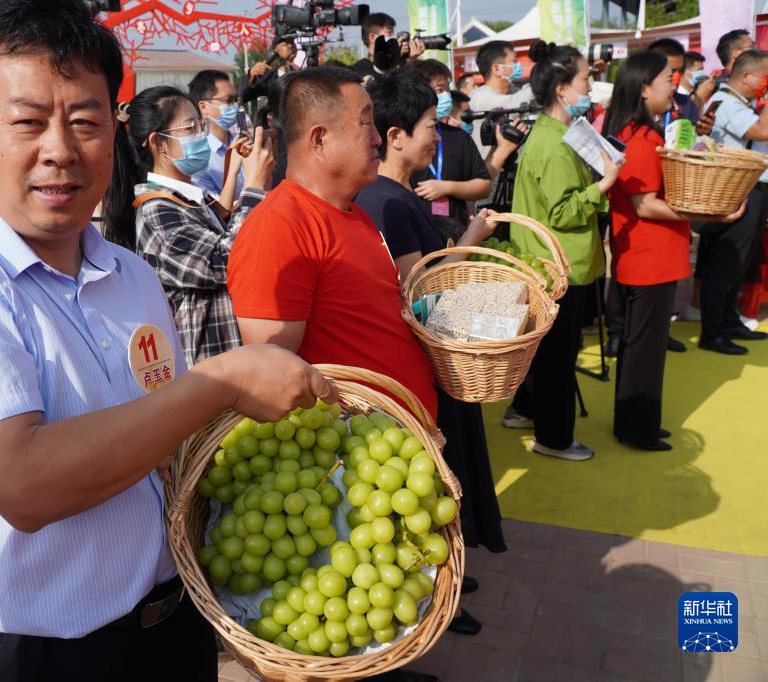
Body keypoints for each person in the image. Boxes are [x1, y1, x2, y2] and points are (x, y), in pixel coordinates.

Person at [0, 2, 335, 679]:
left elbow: (158, 443)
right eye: (26, 121)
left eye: (84, 121)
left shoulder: (130, 274)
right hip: (48, 649)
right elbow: (19, 483)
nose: (59, 148)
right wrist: (224, 382)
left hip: (174, 619)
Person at [225, 62, 442, 682]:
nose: (379, 136)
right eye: (368, 123)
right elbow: (271, 376)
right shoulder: (280, 227)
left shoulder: (353, 214)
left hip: (389, 463)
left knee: (377, 628)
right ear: (319, 139)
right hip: (342, 482)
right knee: (340, 628)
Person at [353, 68, 506, 638]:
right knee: (440, 483)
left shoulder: (392, 197)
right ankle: (439, 597)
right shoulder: (386, 203)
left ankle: (448, 578)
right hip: (420, 367)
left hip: (434, 359)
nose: (435, 138)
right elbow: (419, 290)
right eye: (426, 127)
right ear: (395, 136)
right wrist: (470, 245)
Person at [603, 53, 745, 451]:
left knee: (641, 346)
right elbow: (644, 203)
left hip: (649, 254)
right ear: (644, 87)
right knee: (644, 348)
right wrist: (705, 211)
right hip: (649, 256)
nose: (674, 85)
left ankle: (634, 422)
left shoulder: (637, 133)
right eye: (668, 78)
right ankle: (637, 429)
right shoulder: (640, 138)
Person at [501, 41, 621, 461]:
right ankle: (553, 438)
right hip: (559, 267)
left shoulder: (557, 134)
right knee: (556, 358)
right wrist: (603, 185)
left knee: (544, 351)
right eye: (585, 79)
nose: (591, 86)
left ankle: (525, 410)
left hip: (550, 263)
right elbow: (563, 210)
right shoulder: (554, 144)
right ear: (561, 89)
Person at [104, 85, 274, 366]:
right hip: (207, 373)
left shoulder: (188, 198)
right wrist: (253, 188)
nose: (202, 136)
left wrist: (242, 175)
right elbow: (224, 261)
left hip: (230, 363)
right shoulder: (156, 211)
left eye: (201, 126)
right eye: (189, 129)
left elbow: (231, 235)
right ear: (159, 144)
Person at [697, 49, 768, 354]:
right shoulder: (726, 102)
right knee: (726, 263)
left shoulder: (740, 103)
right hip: (741, 189)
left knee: (739, 262)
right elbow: (762, 131)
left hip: (751, 188)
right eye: (765, 76)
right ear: (746, 76)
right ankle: (712, 333)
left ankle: (727, 321)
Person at [405, 59, 520, 235]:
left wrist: (447, 187)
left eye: (446, 89)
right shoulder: (402, 139)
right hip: (416, 234)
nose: (445, 96)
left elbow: (483, 185)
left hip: (458, 235)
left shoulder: (458, 137)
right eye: (439, 90)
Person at [467, 40, 535, 155]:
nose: (518, 66)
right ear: (497, 69)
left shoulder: (515, 92)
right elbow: (514, 104)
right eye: (514, 62)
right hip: (492, 170)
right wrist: (546, 77)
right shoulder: (479, 98)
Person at [188, 70, 247, 202]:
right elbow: (217, 210)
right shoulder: (199, 158)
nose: (235, 105)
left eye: (236, 99)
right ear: (204, 106)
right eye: (228, 100)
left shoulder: (243, 140)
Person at [352, 13, 422, 79]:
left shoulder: (403, 62)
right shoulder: (359, 69)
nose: (394, 37)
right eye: (389, 33)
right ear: (372, 37)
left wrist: (412, 60)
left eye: (393, 33)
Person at [240, 36, 299, 104]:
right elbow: (242, 97)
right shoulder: (269, 78)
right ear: (276, 51)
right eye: (285, 44)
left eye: (292, 42)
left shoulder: (304, 71)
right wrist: (251, 74)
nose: (290, 46)